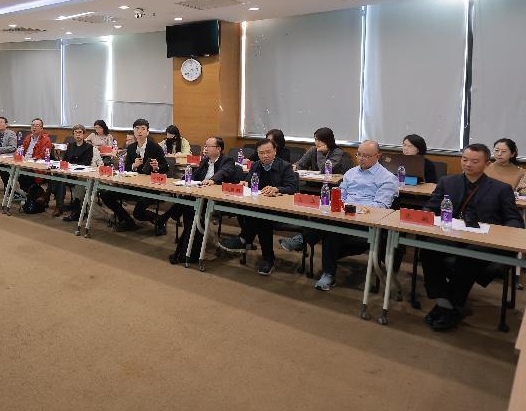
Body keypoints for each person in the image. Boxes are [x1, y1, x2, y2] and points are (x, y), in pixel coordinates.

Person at [421, 144, 523, 331]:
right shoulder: (447, 182)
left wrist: (506, 233)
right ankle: (445, 302)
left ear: (486, 163)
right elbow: (431, 207)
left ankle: (450, 306)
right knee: (428, 248)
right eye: (464, 159)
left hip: (482, 241)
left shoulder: (501, 189)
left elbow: (513, 219)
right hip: (451, 235)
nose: (468, 164)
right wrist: (426, 214)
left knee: (468, 257)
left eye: (475, 161)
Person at [286, 140, 398, 290]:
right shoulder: (351, 173)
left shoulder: (388, 178)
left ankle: (304, 240)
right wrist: (341, 208)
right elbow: (340, 197)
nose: (361, 158)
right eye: (359, 154)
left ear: (378, 156)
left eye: (366, 156)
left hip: (367, 223)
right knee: (331, 227)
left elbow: (380, 207)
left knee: (330, 226)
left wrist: (352, 209)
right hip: (342, 217)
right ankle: (328, 274)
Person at [221, 138, 299, 275]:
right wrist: (244, 184)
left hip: (279, 209)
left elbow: (293, 188)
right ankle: (268, 259)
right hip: (258, 206)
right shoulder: (256, 165)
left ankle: (245, 238)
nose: (265, 155)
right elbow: (249, 182)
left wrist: (277, 189)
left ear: (275, 151)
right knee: (258, 215)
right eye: (261, 153)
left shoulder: (285, 166)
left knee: (262, 218)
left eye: (268, 152)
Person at [166, 136, 241, 261]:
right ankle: (187, 254)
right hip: (201, 196)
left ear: (218, 149)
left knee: (189, 209)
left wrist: (212, 180)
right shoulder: (205, 161)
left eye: (208, 146)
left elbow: (223, 172)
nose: (205, 148)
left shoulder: (227, 160)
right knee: (190, 214)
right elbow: (195, 175)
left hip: (218, 199)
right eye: (205, 146)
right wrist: (182, 181)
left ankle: (169, 217)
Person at [99, 118, 169, 231]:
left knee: (138, 213)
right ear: (134, 131)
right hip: (132, 186)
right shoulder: (131, 148)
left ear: (148, 132)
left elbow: (166, 167)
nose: (139, 131)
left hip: (149, 188)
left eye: (143, 129)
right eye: (137, 129)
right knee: (106, 194)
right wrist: (133, 166)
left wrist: (157, 167)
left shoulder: (155, 147)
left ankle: (159, 219)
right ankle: (127, 220)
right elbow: (125, 168)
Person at [55, 124, 94, 222]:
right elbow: (65, 160)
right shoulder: (70, 146)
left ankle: (75, 210)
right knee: (57, 175)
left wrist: (72, 164)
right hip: (69, 172)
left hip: (80, 173)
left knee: (73, 180)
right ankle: (59, 205)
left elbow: (86, 163)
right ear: (73, 134)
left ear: (84, 134)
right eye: (75, 132)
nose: (78, 134)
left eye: (80, 132)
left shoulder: (88, 147)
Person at [17, 118, 53, 192]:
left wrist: (29, 160)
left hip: (36, 165)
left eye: (37, 125)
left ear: (41, 128)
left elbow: (42, 156)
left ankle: (33, 193)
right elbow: (22, 150)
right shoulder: (28, 138)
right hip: (24, 162)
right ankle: (18, 192)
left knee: (18, 173)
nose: (34, 127)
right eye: (33, 125)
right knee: (9, 170)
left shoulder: (46, 140)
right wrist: (19, 154)